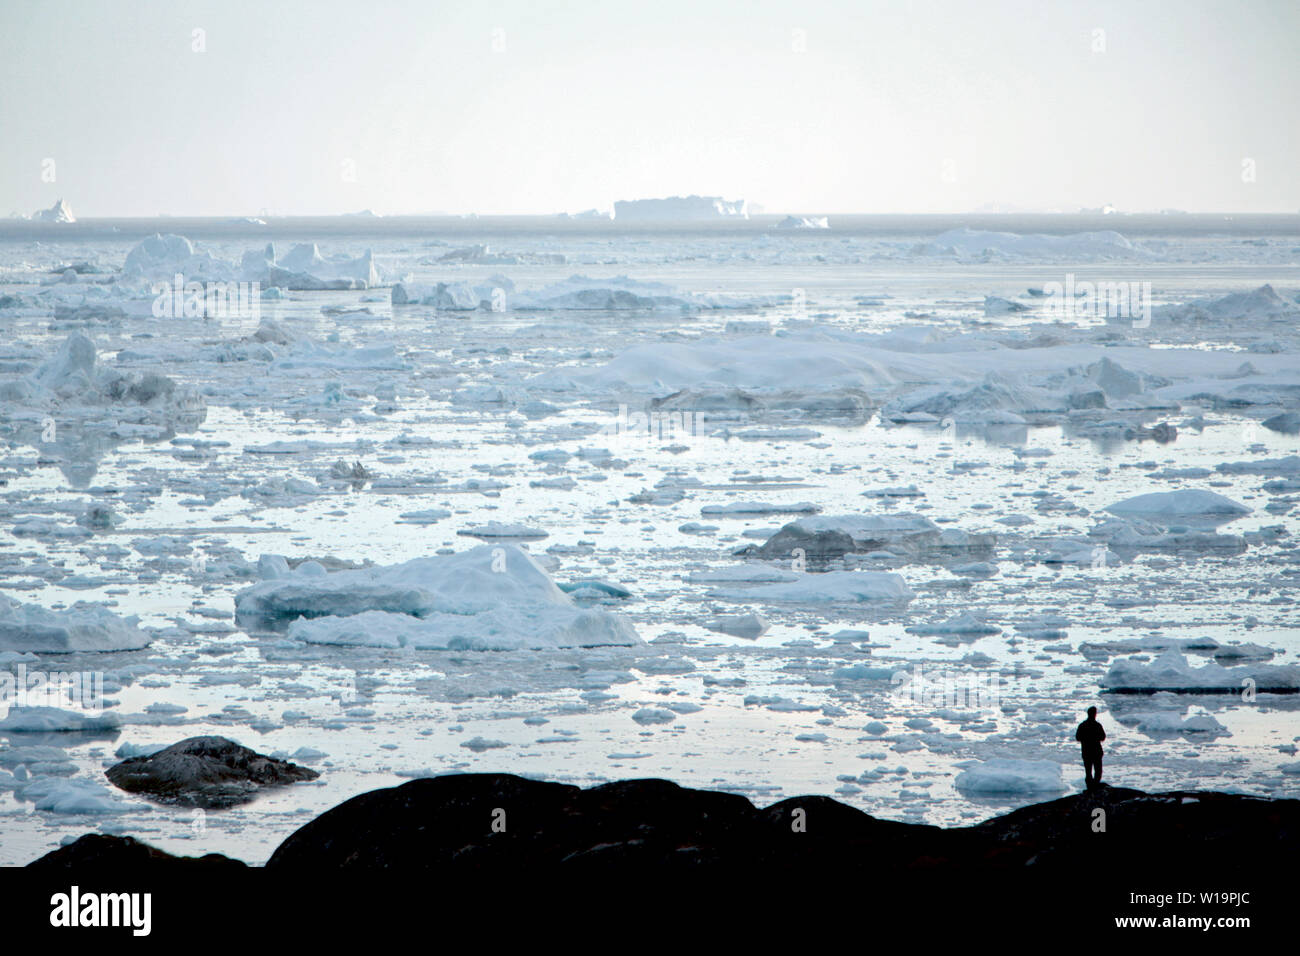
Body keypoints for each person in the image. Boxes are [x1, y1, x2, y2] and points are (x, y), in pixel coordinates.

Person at [1075, 706, 1106, 788]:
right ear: (1095, 714)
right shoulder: (1097, 725)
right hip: (1096, 752)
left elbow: (1078, 737)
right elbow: (1103, 737)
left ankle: (1090, 788)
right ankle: (1095, 786)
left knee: (1088, 772)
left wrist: (1085, 739)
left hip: (1086, 752)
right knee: (1098, 771)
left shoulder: (1082, 725)